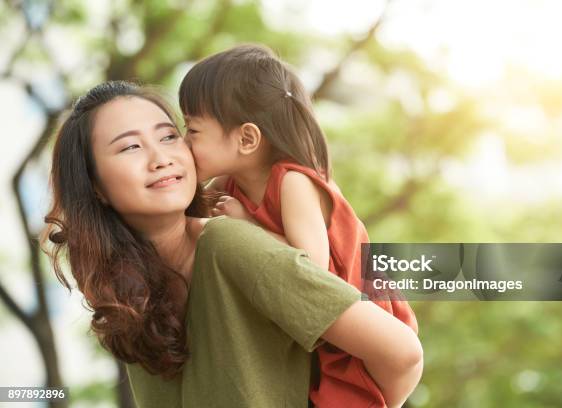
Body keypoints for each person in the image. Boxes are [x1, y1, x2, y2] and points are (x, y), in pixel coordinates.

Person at [41, 80, 423, 408]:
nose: (161, 158)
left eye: (169, 135)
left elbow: (401, 354)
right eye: (130, 148)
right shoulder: (128, 296)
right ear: (95, 186)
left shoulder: (228, 243)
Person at [179, 44, 419, 407]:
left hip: (357, 326)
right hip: (315, 327)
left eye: (192, 130)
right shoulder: (228, 184)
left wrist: (245, 225)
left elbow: (312, 267)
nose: (183, 143)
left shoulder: (293, 182)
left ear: (246, 138)